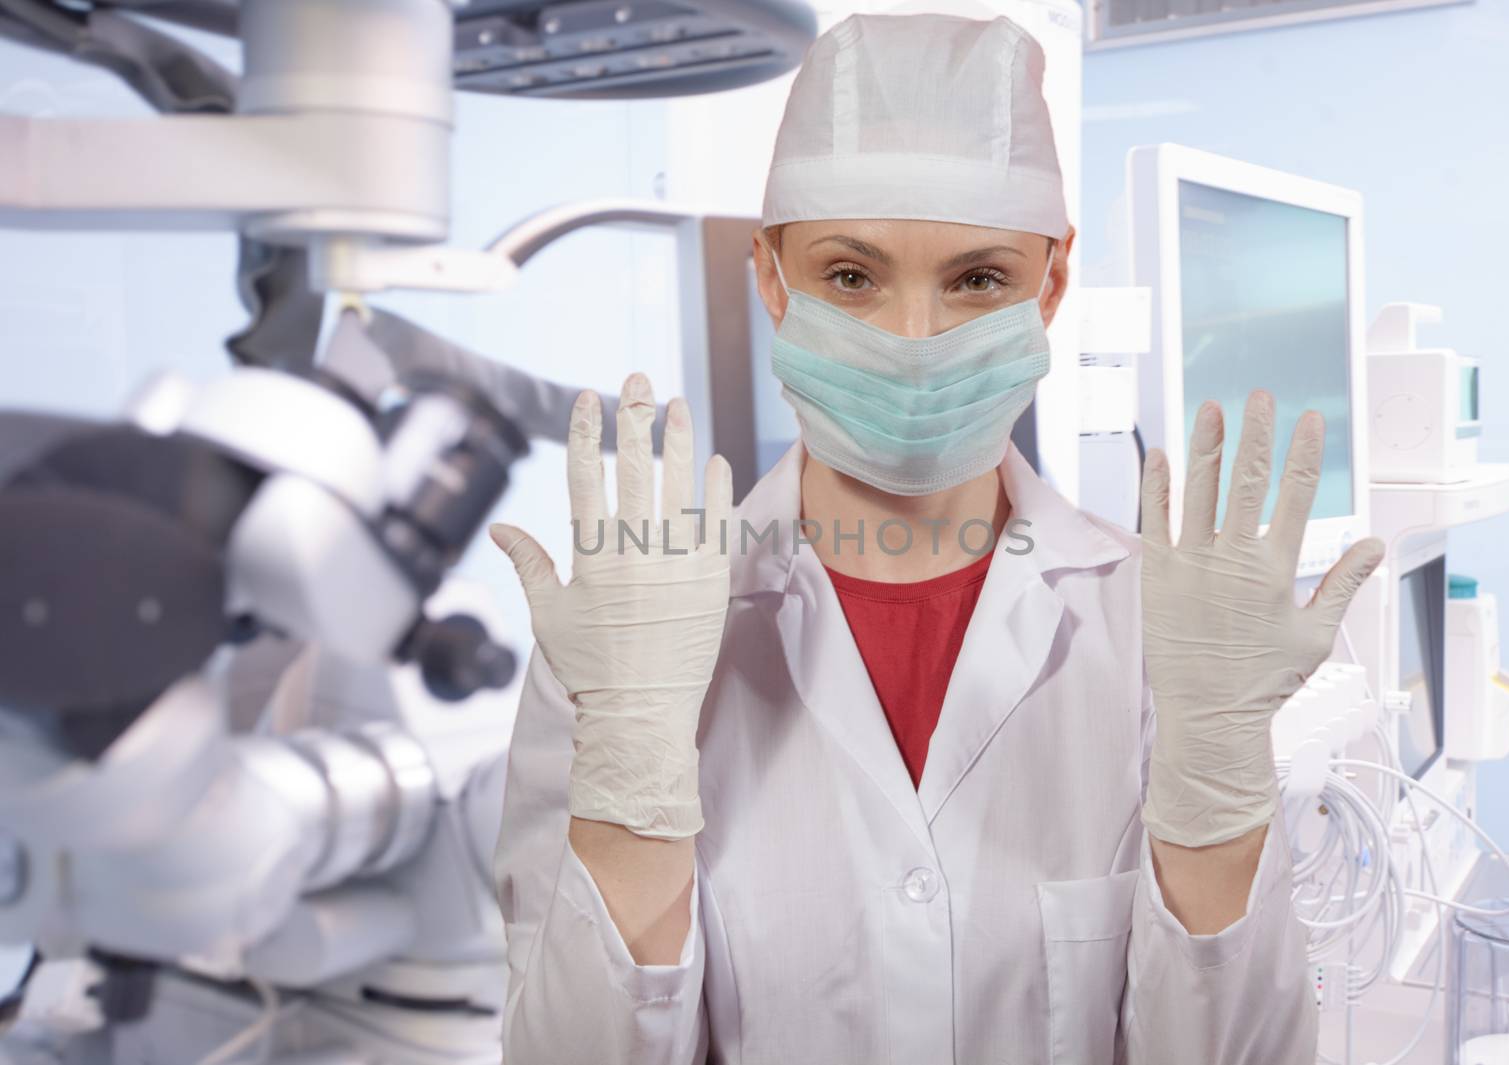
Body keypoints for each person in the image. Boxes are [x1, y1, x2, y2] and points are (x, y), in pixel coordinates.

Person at [488, 12, 1385, 1064]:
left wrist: (1220, 791)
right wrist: (633, 777)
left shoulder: (1157, 636)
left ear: (1049, 287)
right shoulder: (622, 647)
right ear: (772, 278)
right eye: (851, 276)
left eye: (977, 280)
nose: (912, 341)